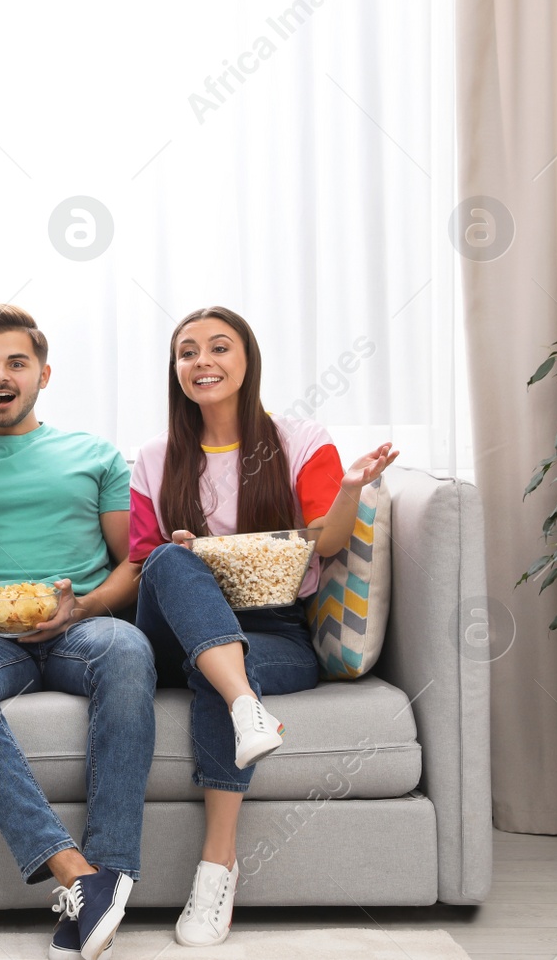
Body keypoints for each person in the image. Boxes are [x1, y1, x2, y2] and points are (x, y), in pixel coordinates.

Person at [130, 306, 396, 946]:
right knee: (170, 556)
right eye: (187, 352)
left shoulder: (300, 440)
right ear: (176, 371)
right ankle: (247, 702)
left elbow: (328, 542)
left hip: (276, 630)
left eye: (219, 348)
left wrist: (353, 486)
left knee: (212, 670)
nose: (203, 362)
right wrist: (188, 556)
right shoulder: (154, 457)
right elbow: (141, 563)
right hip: (171, 624)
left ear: (247, 361)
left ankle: (216, 870)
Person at [0, 304, 155, 960]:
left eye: (16, 361)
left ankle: (108, 870)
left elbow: (136, 558)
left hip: (81, 626)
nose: (0, 374)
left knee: (130, 647)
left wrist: (88, 606)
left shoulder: (94, 454)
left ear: (43, 373)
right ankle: (77, 874)